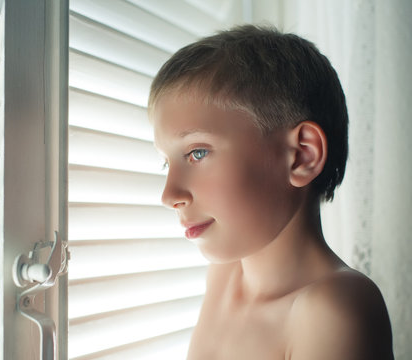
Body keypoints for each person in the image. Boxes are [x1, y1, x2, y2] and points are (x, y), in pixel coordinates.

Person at [148, 25, 394, 359]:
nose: (169, 194)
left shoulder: (335, 310)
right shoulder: (224, 276)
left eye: (197, 153)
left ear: (301, 155)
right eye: (167, 163)